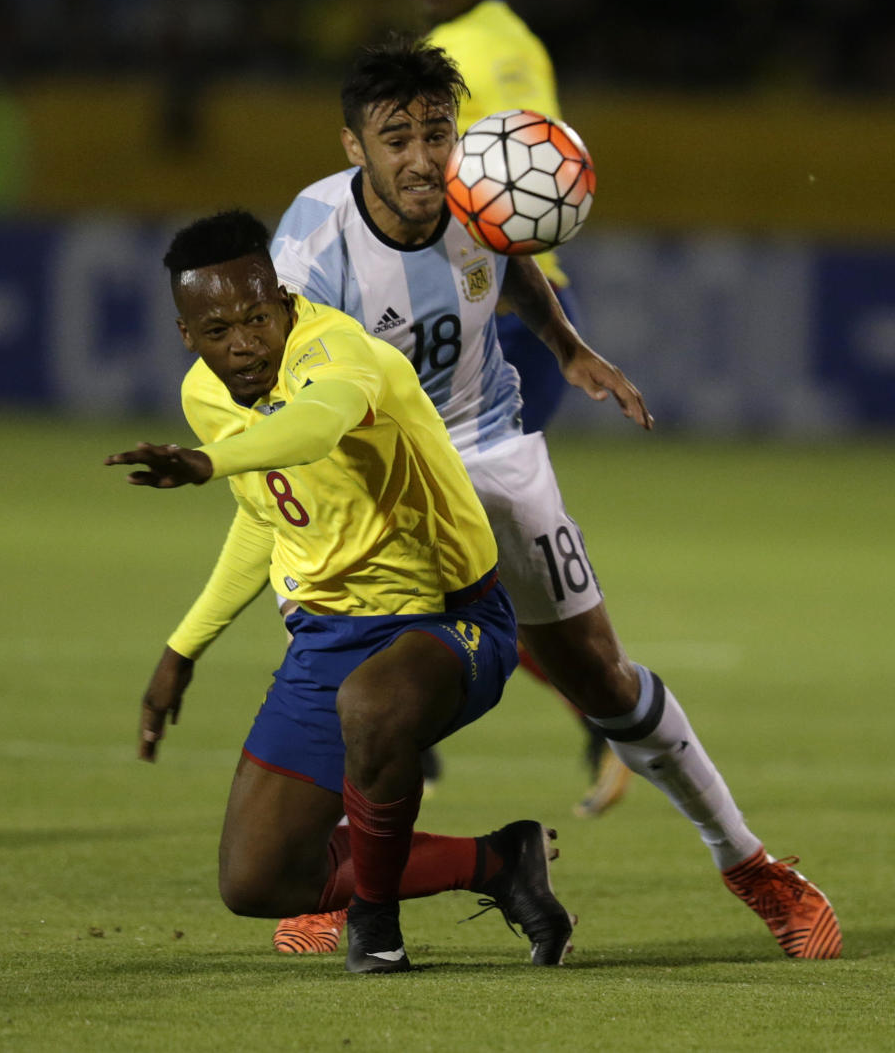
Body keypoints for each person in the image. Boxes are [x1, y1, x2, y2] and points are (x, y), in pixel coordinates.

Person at [267, 36, 842, 961]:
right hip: (381, 477)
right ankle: (360, 890)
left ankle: (752, 865)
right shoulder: (311, 243)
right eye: (395, 138)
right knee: (361, 688)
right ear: (353, 148)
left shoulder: (478, 194)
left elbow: (511, 258)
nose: (422, 158)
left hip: (490, 450)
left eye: (436, 133)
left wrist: (568, 345)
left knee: (599, 677)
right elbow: (298, 396)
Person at [104, 210, 575, 974]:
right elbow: (269, 521)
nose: (246, 343)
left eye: (259, 317)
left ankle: (376, 930)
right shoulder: (207, 396)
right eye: (218, 330)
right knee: (258, 880)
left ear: (283, 298)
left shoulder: (339, 352)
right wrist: (182, 649)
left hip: (451, 617)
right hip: (329, 635)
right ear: (187, 335)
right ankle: (500, 862)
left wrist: (204, 464)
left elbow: (315, 427)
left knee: (374, 705)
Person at [407, 0, 630, 816]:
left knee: (446, 544)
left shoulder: (492, 46)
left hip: (496, 318)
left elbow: (529, 171)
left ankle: (608, 713)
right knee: (443, 543)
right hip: (478, 312)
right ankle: (601, 715)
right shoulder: (460, 43)